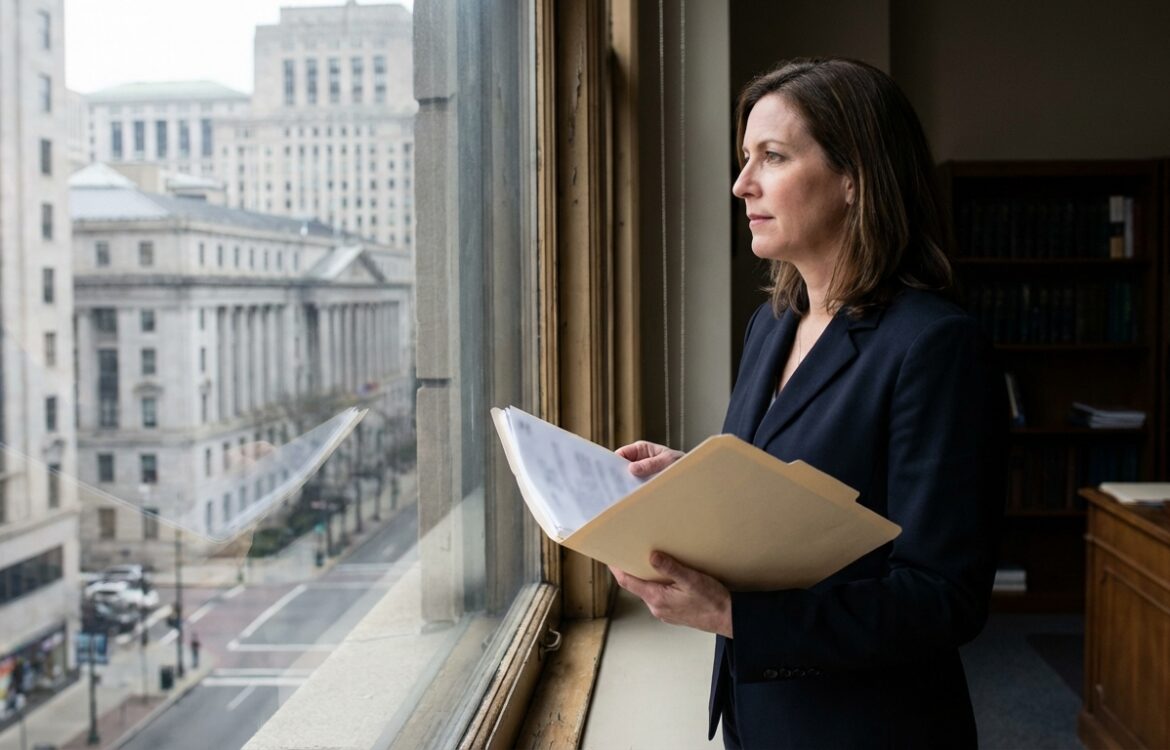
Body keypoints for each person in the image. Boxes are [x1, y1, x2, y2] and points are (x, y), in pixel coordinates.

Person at [610, 58, 1006, 749]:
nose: (742, 184)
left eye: (773, 156)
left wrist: (735, 615)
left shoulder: (936, 346)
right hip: (761, 711)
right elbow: (789, 490)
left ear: (855, 178)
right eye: (744, 158)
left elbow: (943, 598)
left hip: (870, 727)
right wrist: (696, 479)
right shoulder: (772, 324)